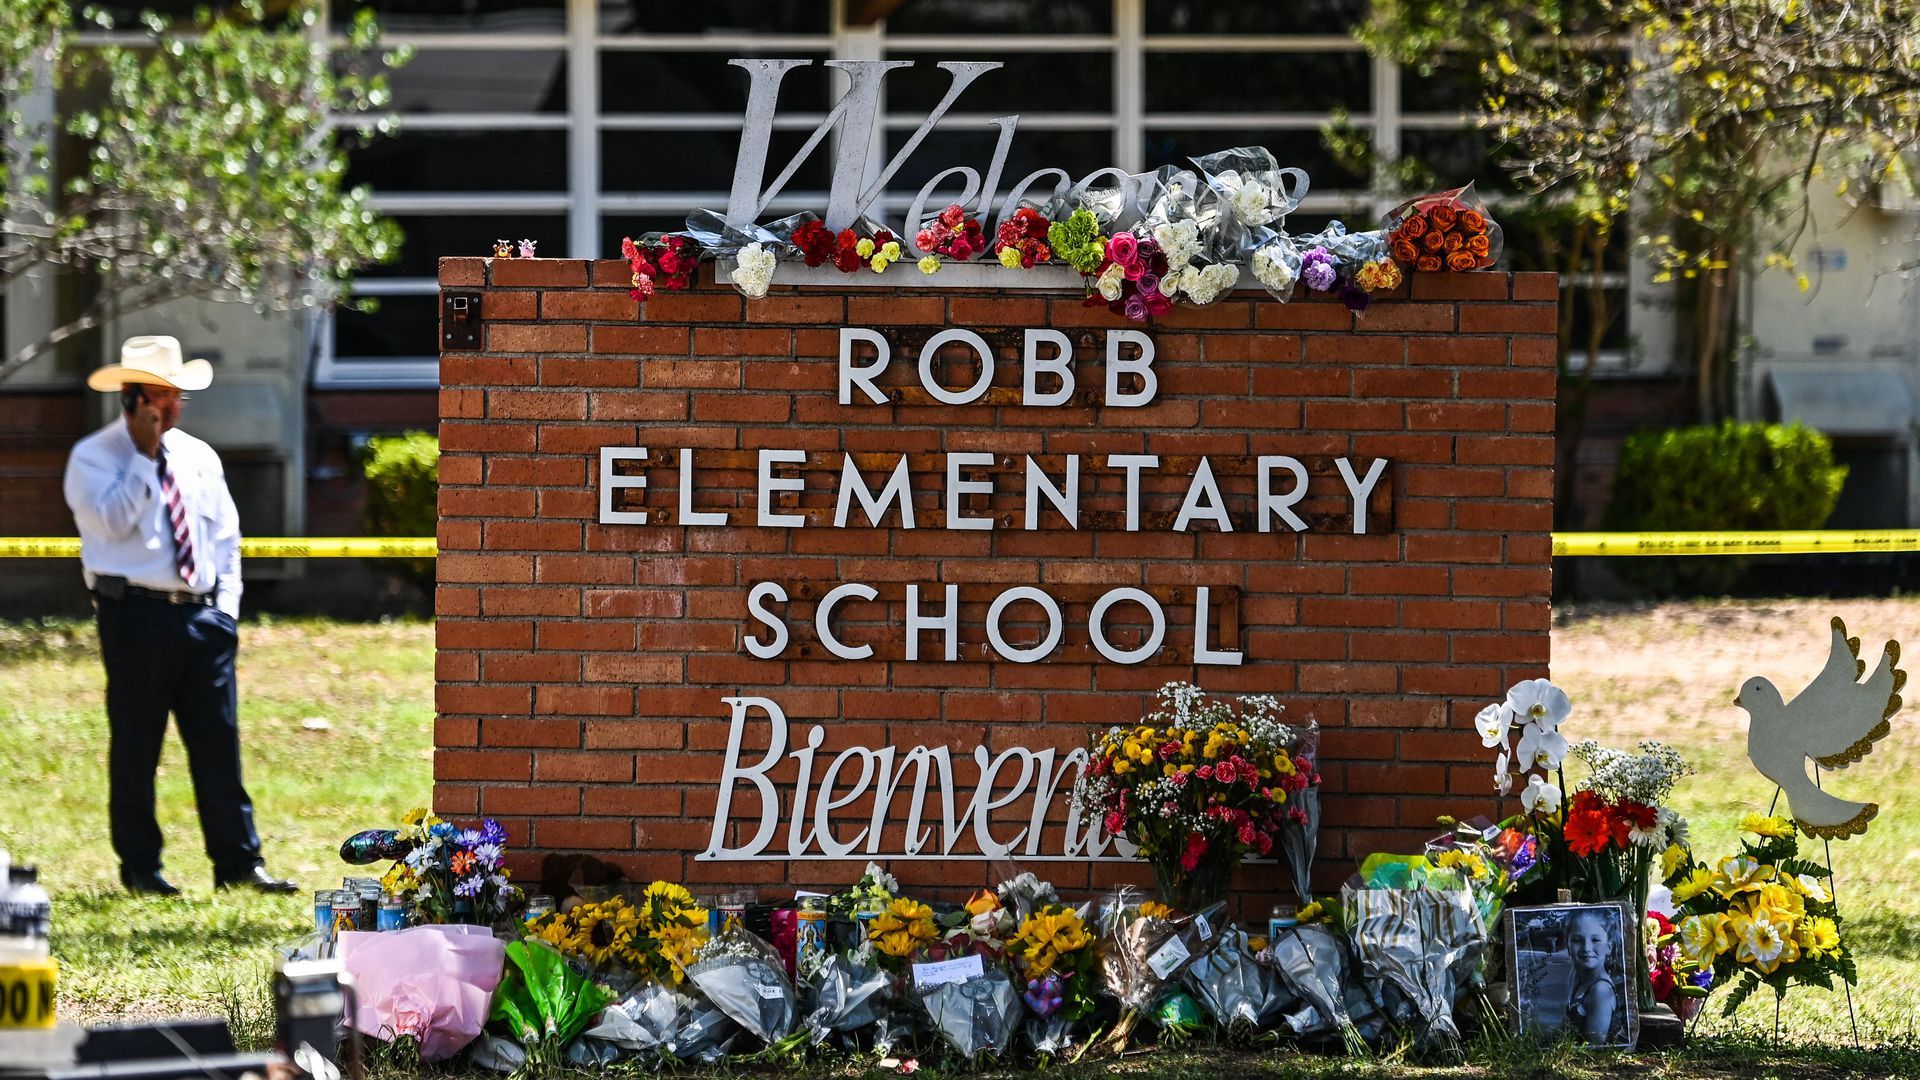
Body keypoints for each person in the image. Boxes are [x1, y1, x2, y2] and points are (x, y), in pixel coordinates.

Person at [62, 335, 296, 896]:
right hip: (134, 614)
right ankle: (141, 868)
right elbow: (112, 523)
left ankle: (238, 863)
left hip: (202, 618)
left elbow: (226, 539)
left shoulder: (199, 456)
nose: (173, 406)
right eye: (161, 395)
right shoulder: (93, 458)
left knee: (218, 743)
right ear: (132, 398)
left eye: (176, 395)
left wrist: (227, 612)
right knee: (137, 743)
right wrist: (142, 459)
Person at [1563, 909, 1624, 1044]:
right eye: (1577, 940)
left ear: (1609, 946)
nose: (1586, 948)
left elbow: (1595, 1045)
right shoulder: (1580, 980)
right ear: (1568, 945)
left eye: (1595, 940)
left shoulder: (1600, 990)